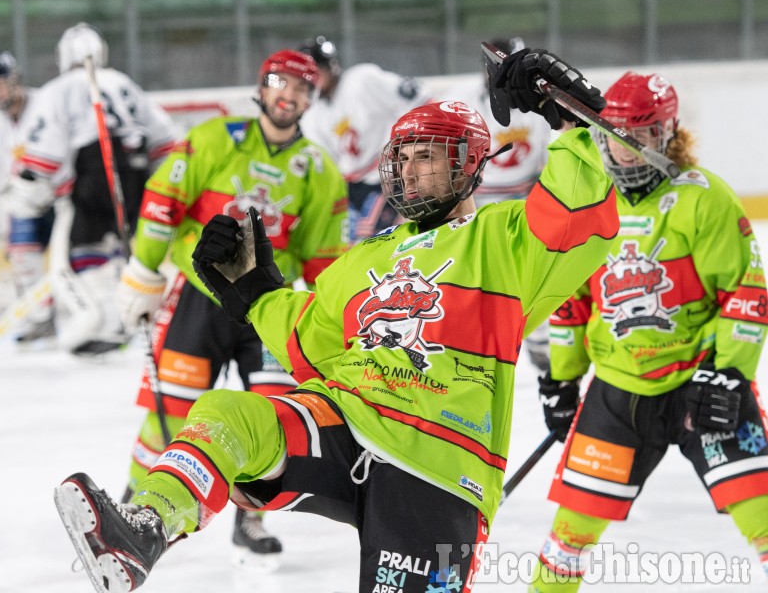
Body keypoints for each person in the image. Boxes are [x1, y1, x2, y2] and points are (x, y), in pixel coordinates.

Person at [54, 47, 617, 593]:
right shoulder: (369, 256)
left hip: (439, 461)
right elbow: (312, 341)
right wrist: (255, 293)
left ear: (468, 163)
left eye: (428, 156)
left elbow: (579, 215)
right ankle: (145, 529)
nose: (410, 171)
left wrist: (571, 120)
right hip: (346, 422)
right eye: (403, 156)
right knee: (228, 412)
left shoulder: (503, 237)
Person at [529, 71, 768, 592]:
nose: (625, 151)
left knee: (764, 520)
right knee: (567, 538)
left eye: (640, 138)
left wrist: (728, 373)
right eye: (615, 137)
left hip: (701, 385)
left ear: (668, 134)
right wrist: (561, 381)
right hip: (618, 395)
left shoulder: (704, 200)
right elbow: (571, 302)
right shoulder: (593, 204)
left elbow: (746, 293)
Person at [112, 48, 349, 566]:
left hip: (266, 307)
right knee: (169, 412)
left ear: (312, 99)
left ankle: (251, 520)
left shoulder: (320, 170)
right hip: (200, 296)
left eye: (302, 88)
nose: (289, 95)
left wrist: (334, 321)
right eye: (280, 83)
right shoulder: (212, 139)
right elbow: (161, 203)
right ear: (261, 87)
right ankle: (132, 508)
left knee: (271, 416)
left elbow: (326, 258)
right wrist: (143, 271)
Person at [1, 23, 177, 355]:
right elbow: (165, 139)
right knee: (116, 245)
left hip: (95, 169)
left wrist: (32, 184)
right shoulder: (123, 81)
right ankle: (122, 320)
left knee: (82, 249)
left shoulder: (60, 88)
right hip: (134, 169)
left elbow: (45, 155)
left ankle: (103, 320)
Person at [447, 36, 553, 372]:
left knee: (532, 273)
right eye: (493, 65)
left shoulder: (541, 103)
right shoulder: (462, 102)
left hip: (525, 196)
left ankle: (538, 337)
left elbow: (554, 156)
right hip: (476, 200)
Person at [298, 35, 431, 243]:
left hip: (387, 176)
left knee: (370, 240)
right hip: (351, 188)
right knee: (344, 244)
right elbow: (325, 163)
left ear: (331, 67)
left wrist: (413, 150)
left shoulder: (362, 80)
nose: (314, 79)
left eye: (317, 71)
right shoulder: (311, 111)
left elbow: (419, 96)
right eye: (309, 74)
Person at [0, 51, 56, 344]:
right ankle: (41, 318)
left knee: (86, 255)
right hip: (24, 204)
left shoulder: (45, 104)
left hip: (60, 194)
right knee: (21, 252)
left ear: (14, 81)